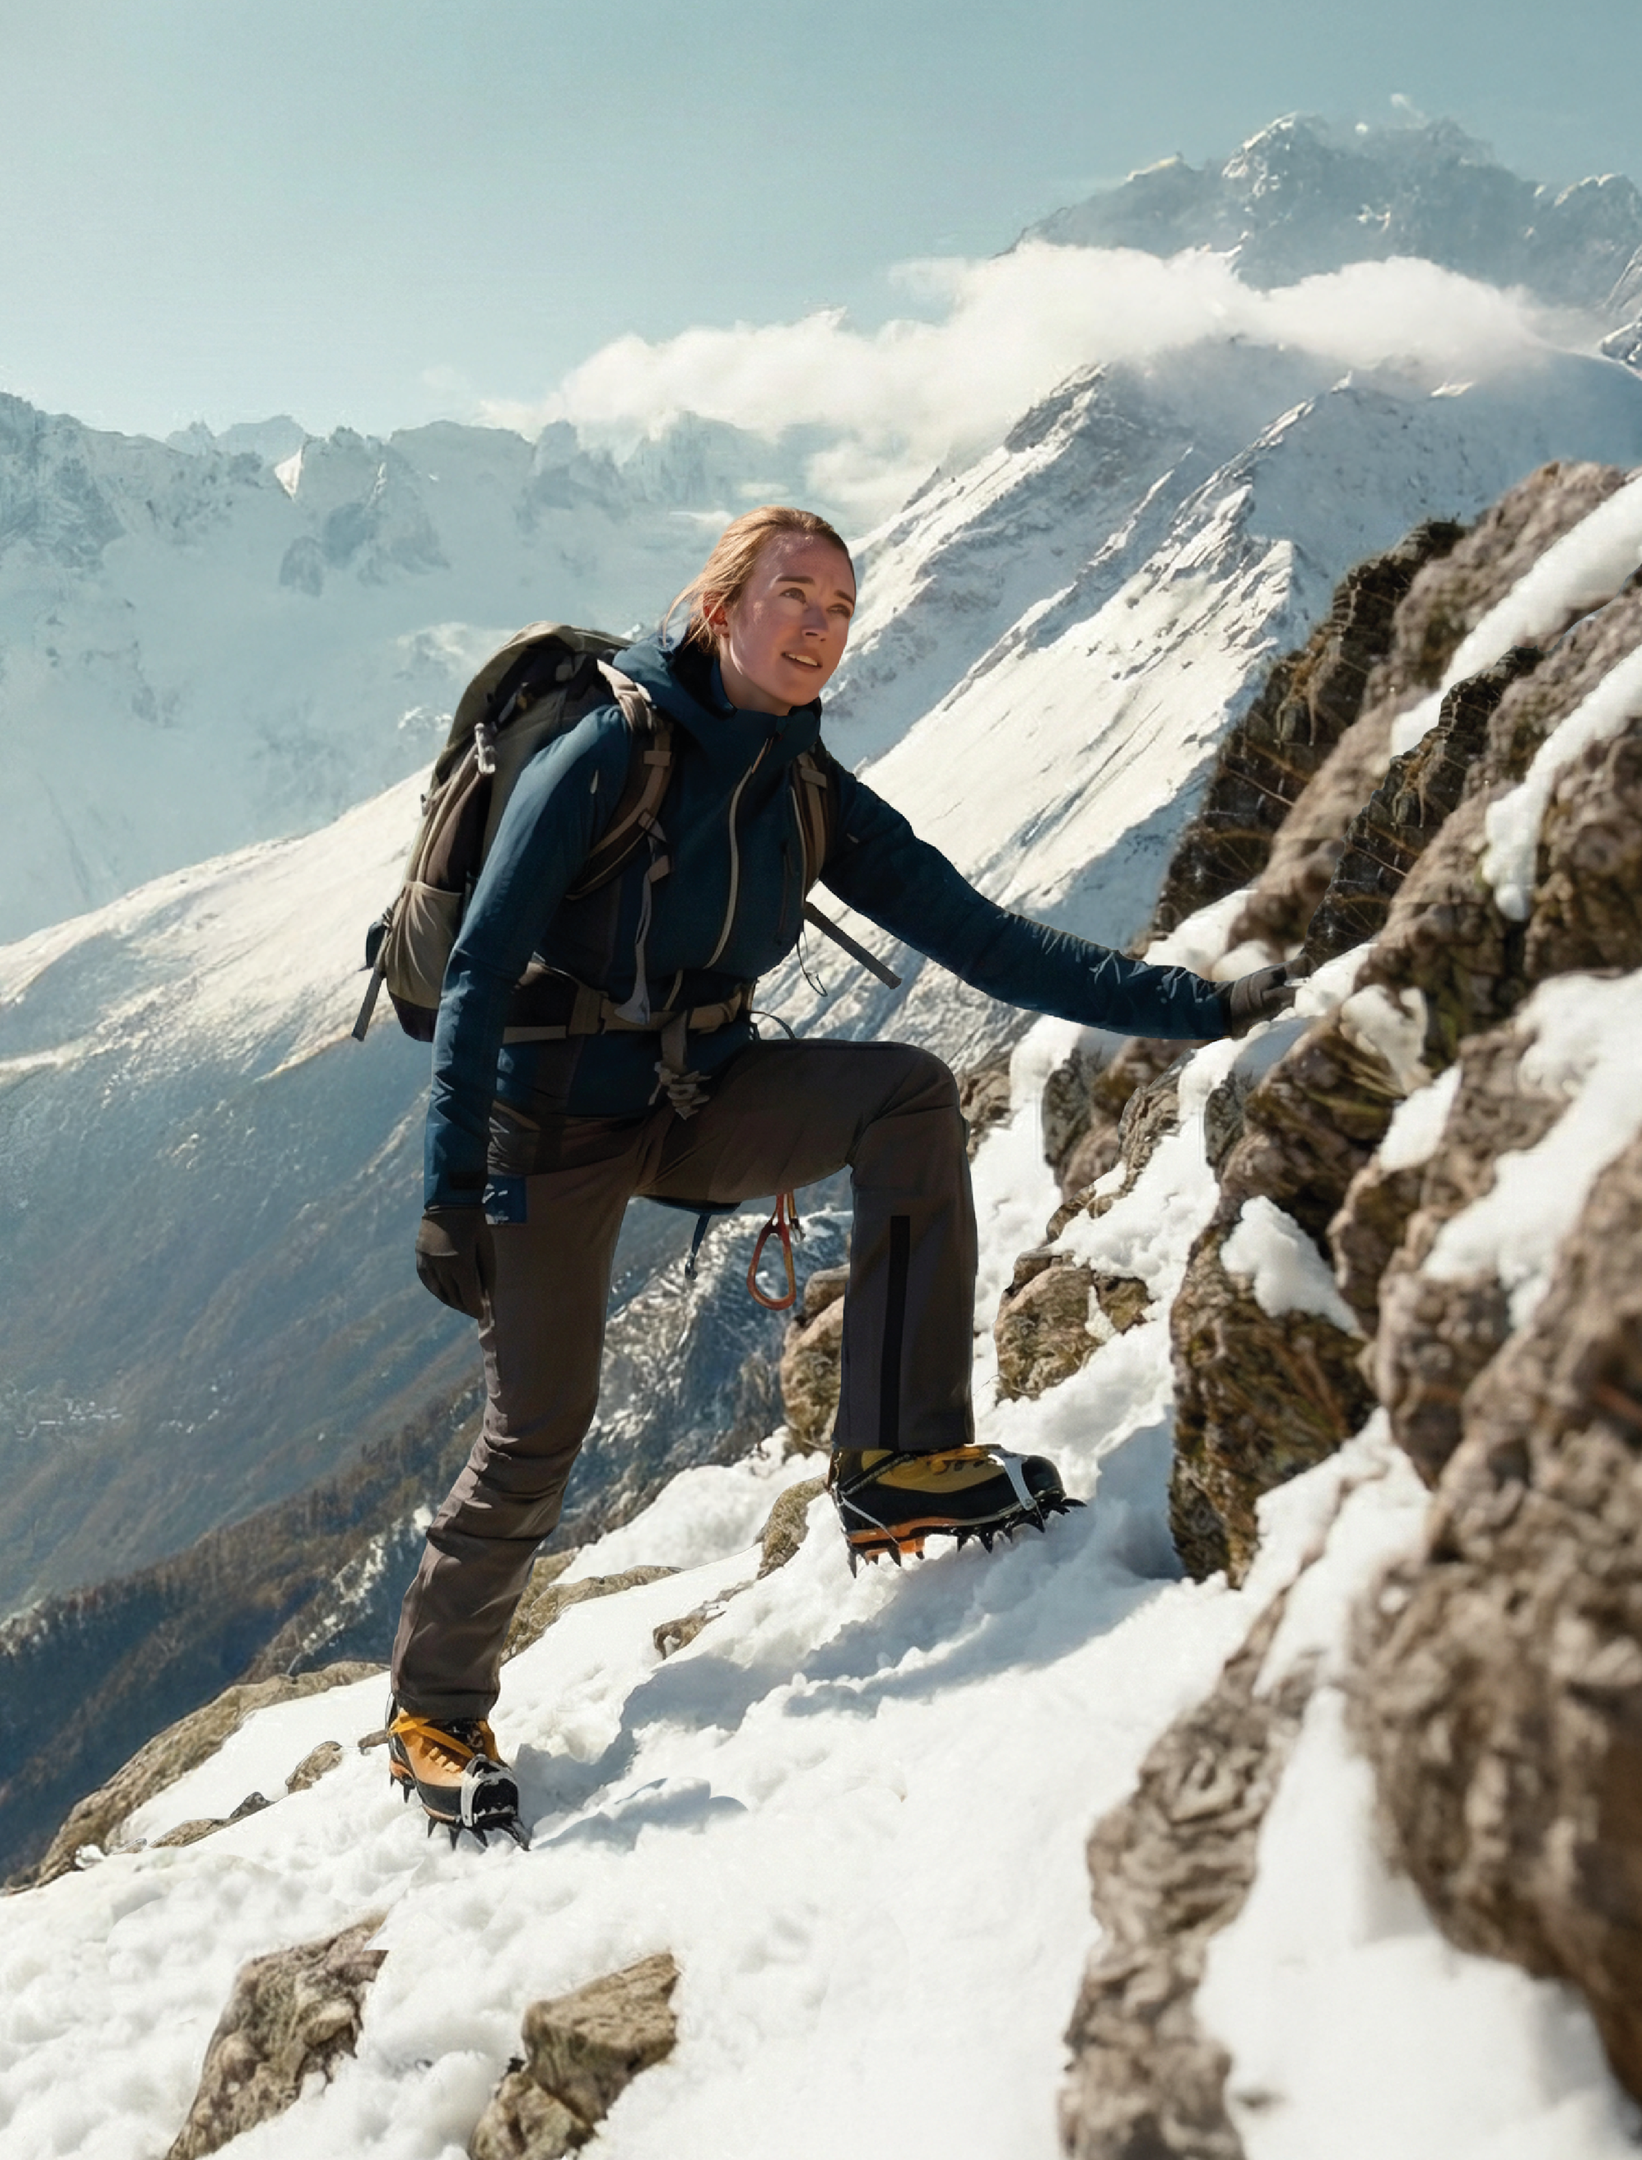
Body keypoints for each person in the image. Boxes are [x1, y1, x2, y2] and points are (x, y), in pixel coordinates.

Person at [380, 506, 1283, 1840]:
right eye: (792, 594)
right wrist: (450, 1193)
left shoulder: (801, 787)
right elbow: (472, 973)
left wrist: (1198, 1008)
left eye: (840, 607)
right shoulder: (602, 754)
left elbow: (981, 938)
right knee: (538, 1430)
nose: (817, 625)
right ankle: (431, 1713)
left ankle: (902, 1460)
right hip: (547, 1129)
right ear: (717, 608)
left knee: (908, 1098)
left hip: (693, 1101)